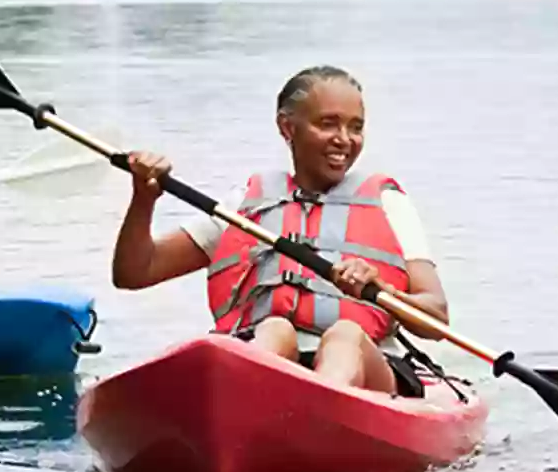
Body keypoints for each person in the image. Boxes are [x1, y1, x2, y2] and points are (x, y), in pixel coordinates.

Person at [111, 65, 452, 395]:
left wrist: (384, 291)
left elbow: (436, 318)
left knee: (345, 336)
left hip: (366, 367)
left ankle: (325, 405)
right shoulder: (247, 203)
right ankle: (251, 399)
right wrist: (144, 199)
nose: (344, 140)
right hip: (266, 357)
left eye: (355, 127)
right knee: (275, 328)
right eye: (327, 124)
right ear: (287, 128)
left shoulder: (387, 203)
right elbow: (135, 272)